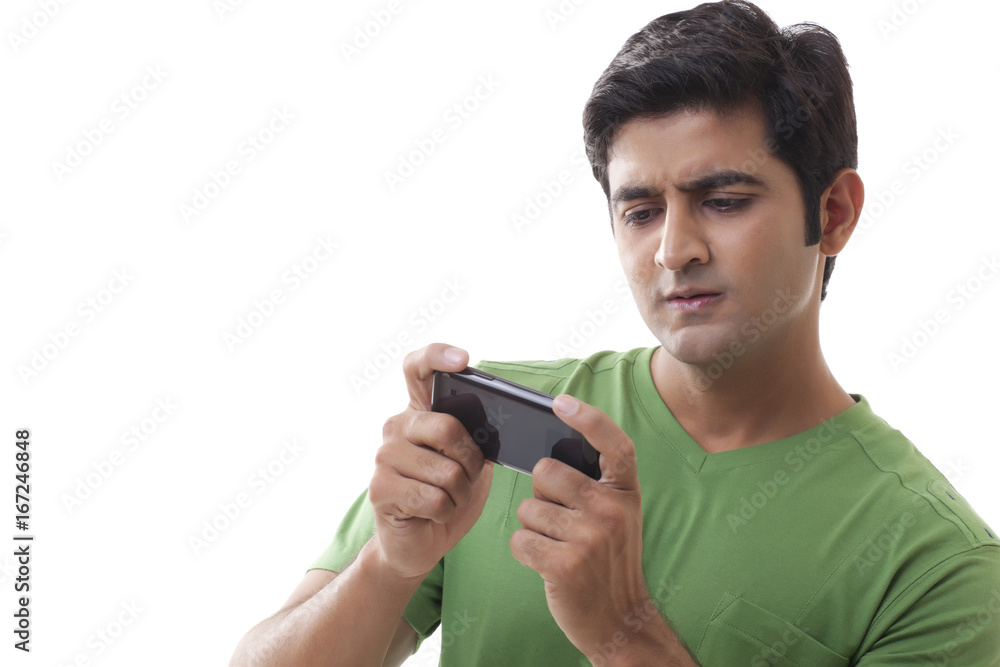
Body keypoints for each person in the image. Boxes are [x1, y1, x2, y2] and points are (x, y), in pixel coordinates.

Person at [230, 1, 1000, 664]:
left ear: (832, 214)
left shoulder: (937, 565)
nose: (673, 249)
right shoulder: (495, 431)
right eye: (641, 211)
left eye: (724, 200)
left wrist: (625, 633)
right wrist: (389, 565)